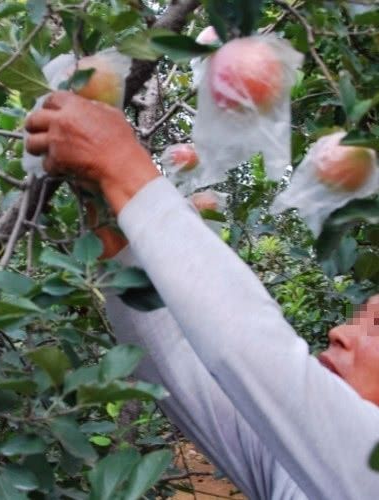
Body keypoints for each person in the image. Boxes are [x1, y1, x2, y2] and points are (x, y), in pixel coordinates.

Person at [25, 91, 379, 499]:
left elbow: (252, 348)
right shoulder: (297, 474)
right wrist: (102, 201)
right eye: (357, 318)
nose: (340, 333)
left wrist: (120, 162)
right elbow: (174, 355)